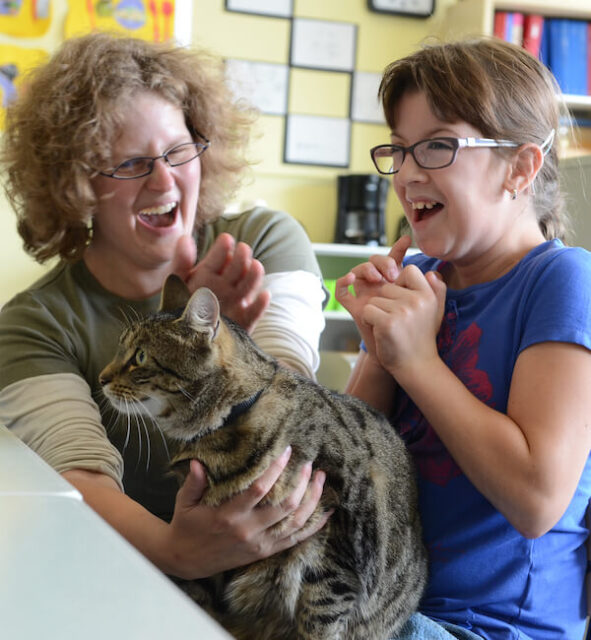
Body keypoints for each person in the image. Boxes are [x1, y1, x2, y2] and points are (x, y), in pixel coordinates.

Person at [0, 32, 329, 581]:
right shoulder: (32, 326)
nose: (164, 179)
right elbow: (79, 477)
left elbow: (296, 414)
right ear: (76, 185)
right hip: (125, 577)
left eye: (178, 152)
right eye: (130, 163)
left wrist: (227, 353)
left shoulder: (263, 240)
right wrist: (178, 553)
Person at [336, 37, 591, 639]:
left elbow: (536, 500)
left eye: (438, 146)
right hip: (385, 603)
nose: (407, 173)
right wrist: (380, 349)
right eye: (398, 151)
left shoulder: (561, 280)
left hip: (492, 628)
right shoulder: (420, 281)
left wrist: (418, 362)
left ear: (521, 167)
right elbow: (346, 472)